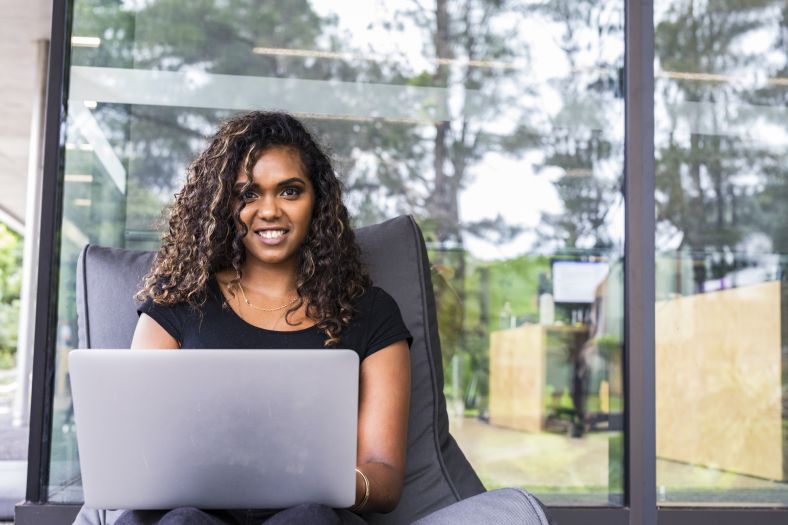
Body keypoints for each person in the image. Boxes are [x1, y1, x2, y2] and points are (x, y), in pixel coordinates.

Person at [86, 112, 412, 525]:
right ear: (224, 204)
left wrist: (321, 481)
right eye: (248, 194)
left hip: (311, 517)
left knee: (309, 518)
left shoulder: (371, 313)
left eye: (290, 191)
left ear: (318, 201)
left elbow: (383, 475)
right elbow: (136, 456)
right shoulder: (176, 303)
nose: (270, 210)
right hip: (191, 517)